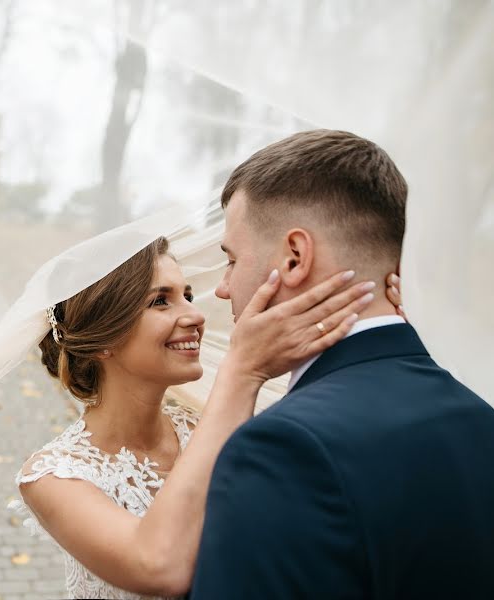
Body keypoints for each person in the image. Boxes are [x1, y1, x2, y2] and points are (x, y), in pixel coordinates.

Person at [189, 129, 494, 599]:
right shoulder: (478, 415)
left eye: (231, 260)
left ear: (294, 257)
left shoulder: (281, 448)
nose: (225, 288)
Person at [10, 232, 400, 599]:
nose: (195, 315)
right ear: (104, 338)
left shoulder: (213, 428)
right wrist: (242, 371)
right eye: (161, 301)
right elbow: (156, 566)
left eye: (188, 295)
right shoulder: (54, 476)